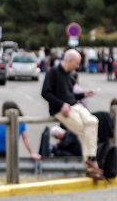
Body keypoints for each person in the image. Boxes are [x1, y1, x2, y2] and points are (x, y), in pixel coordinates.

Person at [42, 49, 103, 180]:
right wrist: (61, 104)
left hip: (75, 105)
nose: (78, 66)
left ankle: (90, 159)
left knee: (93, 122)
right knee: (83, 130)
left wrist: (83, 94)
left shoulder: (70, 75)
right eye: (77, 63)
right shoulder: (53, 72)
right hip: (61, 109)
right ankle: (91, 163)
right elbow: (45, 92)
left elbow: (70, 95)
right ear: (69, 60)